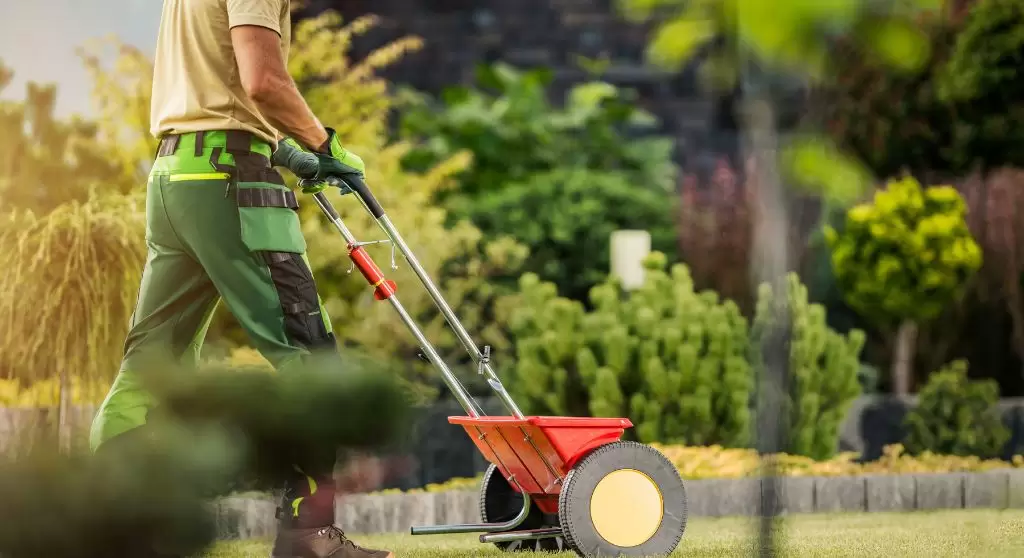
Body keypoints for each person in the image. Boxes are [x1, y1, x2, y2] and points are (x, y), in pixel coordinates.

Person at [88, 0, 392, 556]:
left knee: (150, 367)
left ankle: (110, 528)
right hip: (233, 180)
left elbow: (214, 87)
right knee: (311, 360)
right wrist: (323, 142)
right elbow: (262, 80)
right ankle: (310, 537)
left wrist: (287, 150)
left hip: (175, 176)